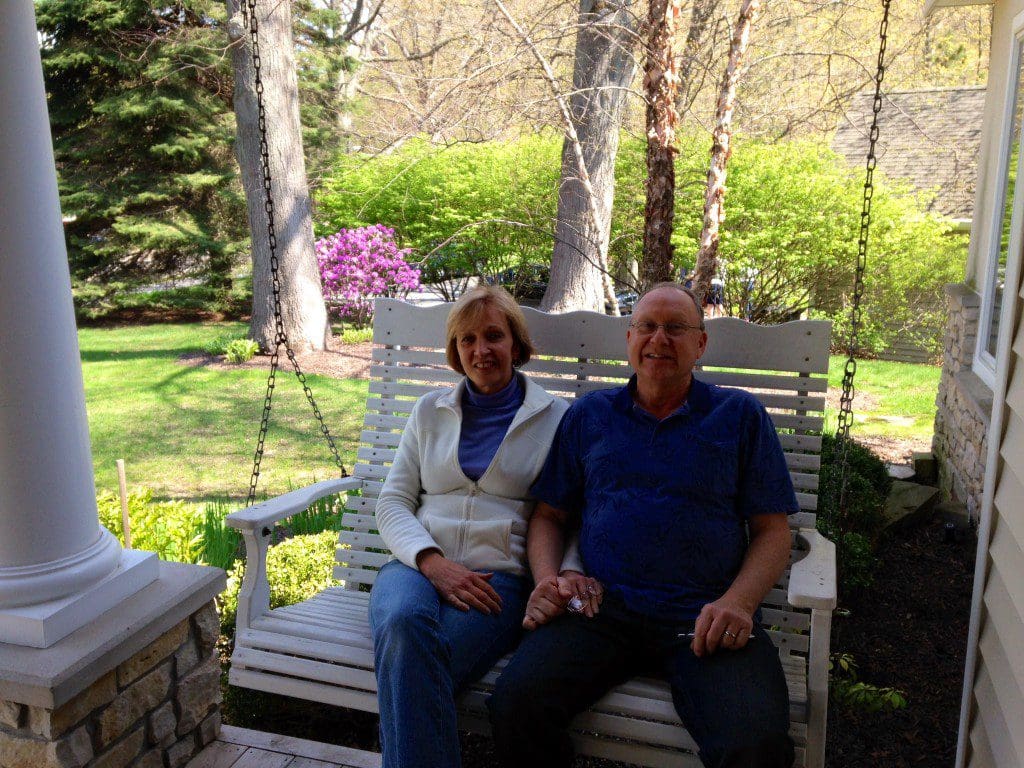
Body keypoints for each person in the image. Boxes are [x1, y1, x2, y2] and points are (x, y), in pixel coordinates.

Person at [487, 282, 798, 768]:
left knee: (755, 746)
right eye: (647, 326)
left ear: (700, 343)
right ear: (629, 338)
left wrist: (739, 602)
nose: (659, 339)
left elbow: (773, 531)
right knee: (516, 705)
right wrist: (550, 579)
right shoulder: (591, 415)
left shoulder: (739, 416)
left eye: (676, 328)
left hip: (704, 614)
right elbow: (549, 516)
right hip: (601, 609)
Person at [369, 285, 588, 768]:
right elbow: (393, 502)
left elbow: (572, 516)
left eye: (493, 336)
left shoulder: (557, 419)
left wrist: (565, 574)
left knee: (417, 666)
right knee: (404, 624)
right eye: (467, 339)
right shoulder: (429, 412)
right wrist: (432, 562)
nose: (480, 350)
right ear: (455, 350)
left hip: (498, 581)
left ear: (516, 344)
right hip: (414, 567)